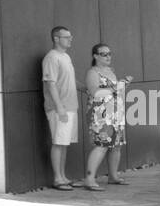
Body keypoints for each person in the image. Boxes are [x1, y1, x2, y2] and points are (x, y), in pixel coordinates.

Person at [84, 43, 133, 190]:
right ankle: (89, 179)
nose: (108, 56)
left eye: (109, 53)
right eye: (104, 54)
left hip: (115, 113)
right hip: (101, 115)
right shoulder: (93, 72)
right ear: (95, 56)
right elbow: (95, 92)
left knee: (116, 146)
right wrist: (119, 86)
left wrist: (122, 87)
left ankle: (113, 176)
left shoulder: (111, 71)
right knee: (102, 145)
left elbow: (115, 92)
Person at [41, 26, 79, 190]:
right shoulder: (51, 58)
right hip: (59, 108)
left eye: (71, 36)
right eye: (66, 37)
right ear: (56, 38)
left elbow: (70, 80)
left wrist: (87, 88)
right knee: (58, 142)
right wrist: (60, 108)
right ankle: (57, 179)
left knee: (64, 143)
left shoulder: (66, 57)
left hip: (70, 106)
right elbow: (51, 84)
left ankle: (63, 176)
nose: (70, 39)